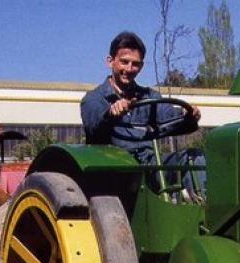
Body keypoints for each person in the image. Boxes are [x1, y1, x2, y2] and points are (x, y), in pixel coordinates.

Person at [81, 31, 201, 166]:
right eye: (124, 62)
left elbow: (167, 116)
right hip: (112, 167)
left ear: (141, 66)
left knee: (195, 157)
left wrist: (187, 115)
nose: (129, 68)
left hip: (149, 164)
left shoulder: (150, 97)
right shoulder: (94, 98)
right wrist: (111, 113)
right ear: (110, 61)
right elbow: (94, 126)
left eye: (135, 64)